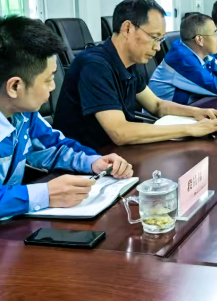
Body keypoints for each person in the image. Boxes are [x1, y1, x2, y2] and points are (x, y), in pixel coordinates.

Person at [53, 0, 217, 149]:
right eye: (154, 38)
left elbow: (157, 105)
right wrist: (190, 129)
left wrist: (196, 113)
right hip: (86, 162)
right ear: (128, 29)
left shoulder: (128, 63)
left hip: (116, 156)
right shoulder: (94, 66)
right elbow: (120, 132)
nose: (157, 47)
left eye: (160, 39)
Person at [0, 16, 133, 218]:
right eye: (48, 79)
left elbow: (55, 147)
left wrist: (94, 162)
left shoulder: (24, 115)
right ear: (15, 86)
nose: (53, 87)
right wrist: (45, 194)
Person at [149, 13, 217, 104]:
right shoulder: (183, 59)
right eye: (215, 34)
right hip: (163, 113)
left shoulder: (200, 52)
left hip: (188, 107)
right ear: (199, 40)